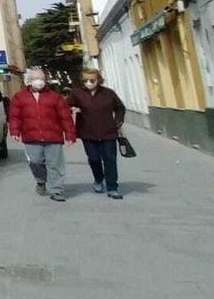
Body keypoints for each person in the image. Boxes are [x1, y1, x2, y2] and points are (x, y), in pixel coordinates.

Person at [8, 66, 75, 202]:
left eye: (42, 79)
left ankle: (56, 190)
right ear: (29, 81)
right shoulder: (19, 97)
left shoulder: (55, 97)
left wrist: (70, 134)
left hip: (53, 136)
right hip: (31, 137)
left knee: (54, 163)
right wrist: (15, 131)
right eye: (36, 79)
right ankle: (41, 181)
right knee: (35, 161)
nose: (40, 81)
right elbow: (15, 116)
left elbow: (65, 117)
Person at [68, 68, 126, 199]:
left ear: (98, 80)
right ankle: (99, 179)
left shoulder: (108, 93)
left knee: (110, 159)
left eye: (92, 80)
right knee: (94, 158)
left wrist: (118, 121)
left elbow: (120, 108)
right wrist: (73, 109)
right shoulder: (77, 93)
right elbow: (65, 106)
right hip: (87, 132)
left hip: (108, 131)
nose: (89, 83)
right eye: (85, 80)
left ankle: (112, 187)